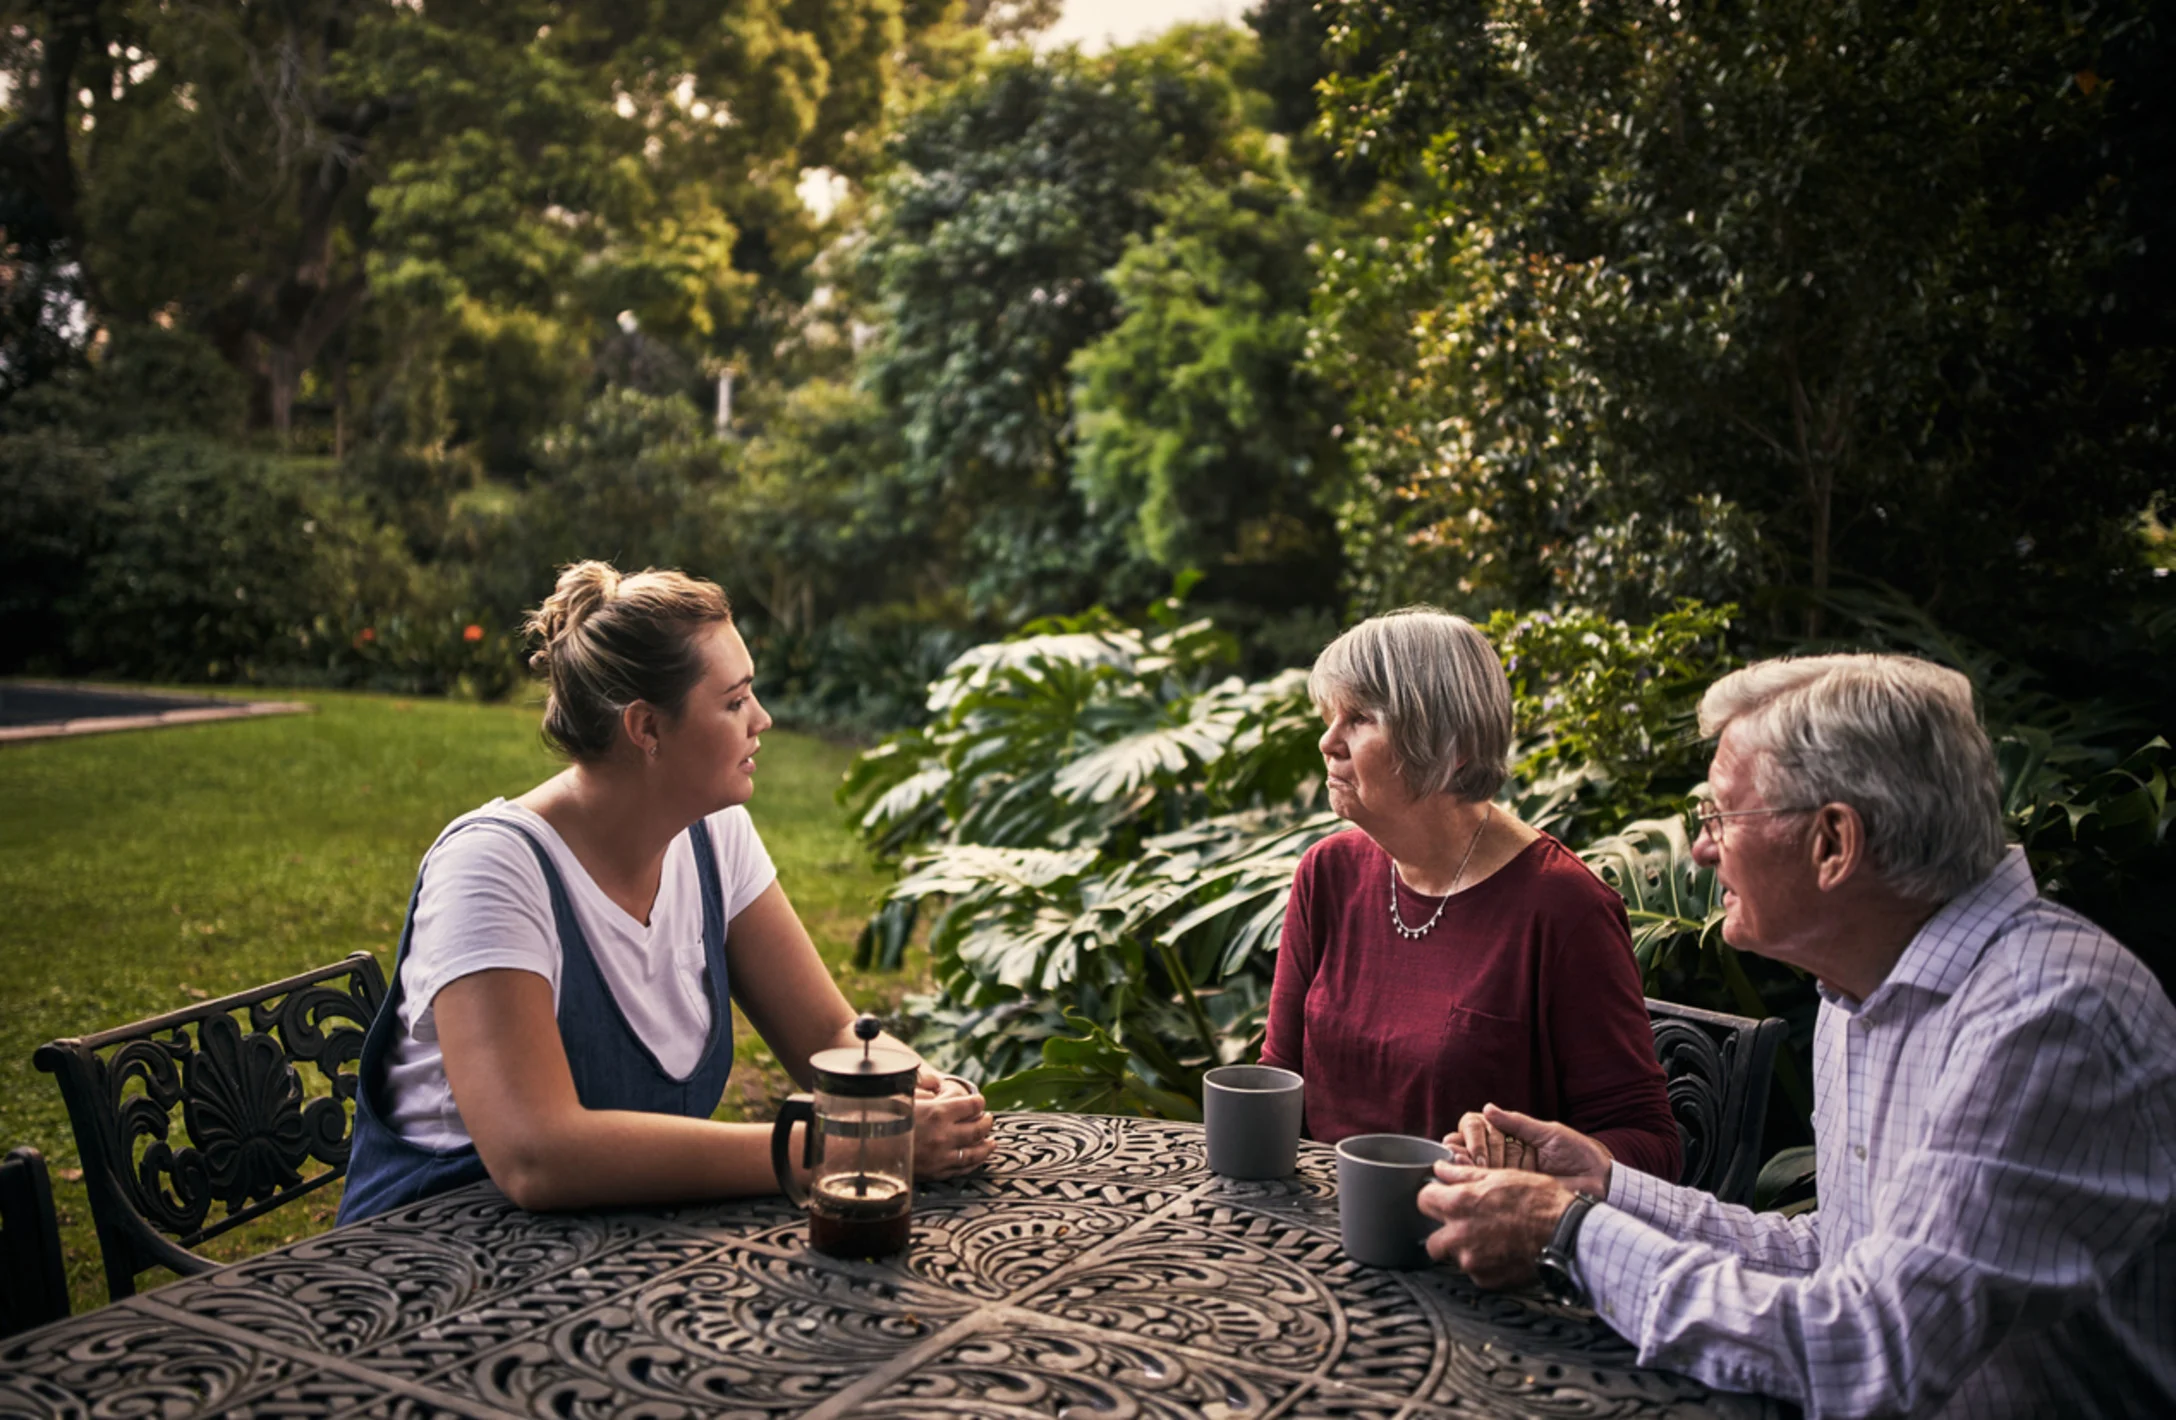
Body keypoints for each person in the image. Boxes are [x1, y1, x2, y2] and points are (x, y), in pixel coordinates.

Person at [1417, 654, 2176, 1417]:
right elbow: (1833, 1258)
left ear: (1833, 843)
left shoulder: (2046, 1018)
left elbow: (1869, 1346)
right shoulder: (1864, 989)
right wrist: (1606, 1187)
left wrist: (1570, 1235)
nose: (1703, 849)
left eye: (1718, 816)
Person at [339, 562, 994, 1223]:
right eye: (734, 701)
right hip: (432, 1255)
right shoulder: (493, 869)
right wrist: (841, 1148)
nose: (761, 719)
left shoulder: (715, 837)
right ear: (646, 728)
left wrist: (923, 1097)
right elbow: (536, 1155)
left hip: (618, 1253)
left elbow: (828, 1033)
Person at [1260, 608, 1681, 1181]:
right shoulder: (1328, 875)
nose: (1327, 741)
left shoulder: (1565, 910)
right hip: (1327, 1227)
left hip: (1479, 1243)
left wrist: (1530, 1161)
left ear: (1448, 746)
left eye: (1357, 719)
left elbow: (1650, 1142)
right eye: (1331, 717)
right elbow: (1280, 1078)